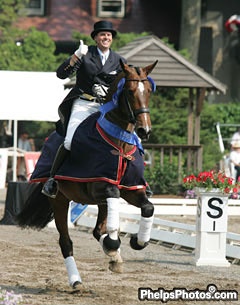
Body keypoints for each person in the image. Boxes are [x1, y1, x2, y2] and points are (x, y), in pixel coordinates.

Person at [42, 20, 126, 198]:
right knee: (70, 141)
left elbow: (128, 81)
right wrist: (75, 57)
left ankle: (135, 181)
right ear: (96, 38)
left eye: (108, 35)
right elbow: (61, 74)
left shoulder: (119, 60)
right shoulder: (86, 55)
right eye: (102, 35)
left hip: (106, 108)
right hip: (84, 103)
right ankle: (52, 180)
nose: (106, 37)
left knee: (128, 139)